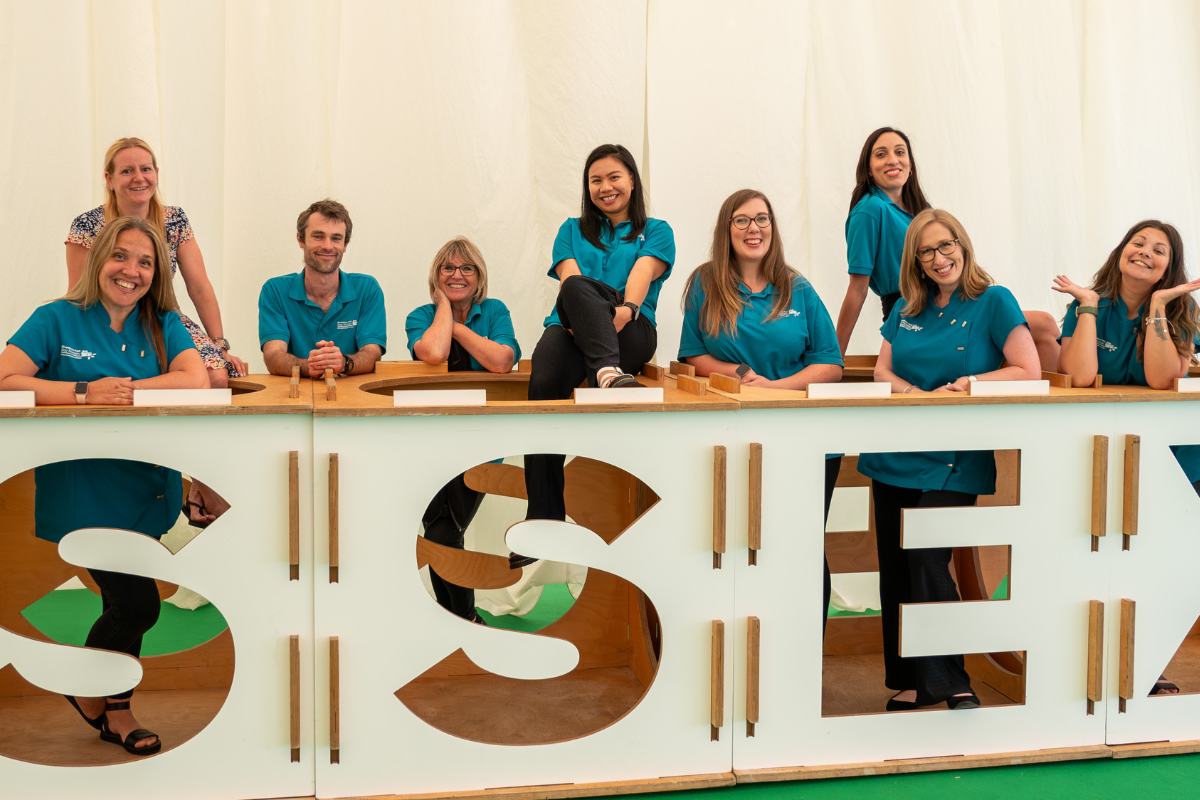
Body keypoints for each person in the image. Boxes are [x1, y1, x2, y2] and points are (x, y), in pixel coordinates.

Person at [0, 216, 209, 755]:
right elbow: (5, 378)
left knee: (126, 603)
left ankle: (110, 703)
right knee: (138, 606)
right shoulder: (56, 319)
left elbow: (194, 379)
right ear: (98, 261)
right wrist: (82, 392)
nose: (131, 271)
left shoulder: (164, 321)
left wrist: (125, 390)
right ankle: (100, 695)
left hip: (148, 491)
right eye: (120, 256)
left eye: (145, 262)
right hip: (85, 493)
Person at [857, 208, 1040, 711]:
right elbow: (882, 370)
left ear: (963, 244)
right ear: (914, 261)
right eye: (926, 251)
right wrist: (914, 394)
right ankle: (914, 680)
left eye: (946, 246)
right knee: (895, 567)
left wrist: (971, 385)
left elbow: (1028, 368)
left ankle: (951, 677)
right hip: (895, 450)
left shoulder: (993, 300)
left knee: (927, 556)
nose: (939, 258)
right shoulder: (906, 308)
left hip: (957, 456)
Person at [678, 189, 843, 634]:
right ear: (725, 230)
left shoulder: (799, 288)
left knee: (802, 549)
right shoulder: (703, 284)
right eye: (742, 220)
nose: (754, 229)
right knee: (738, 549)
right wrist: (739, 371)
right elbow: (691, 355)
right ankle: (750, 654)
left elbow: (831, 364)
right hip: (733, 439)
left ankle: (806, 654)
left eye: (763, 219)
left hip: (804, 440)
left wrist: (775, 389)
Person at [1053, 219, 1200, 696]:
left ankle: (1148, 664)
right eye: (1138, 242)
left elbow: (1161, 380)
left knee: (1159, 566)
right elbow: (1078, 376)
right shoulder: (1089, 305)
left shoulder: (1180, 310)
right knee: (1105, 562)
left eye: (1159, 250)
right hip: (1110, 456)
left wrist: (1158, 307)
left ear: (1168, 268)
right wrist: (1090, 309)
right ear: (1121, 250)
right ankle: (1107, 667)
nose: (1145, 252)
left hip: (1177, 460)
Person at [66, 137, 241, 526]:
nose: (138, 177)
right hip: (109, 320)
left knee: (215, 375)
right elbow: (78, 293)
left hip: (163, 316)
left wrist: (218, 344)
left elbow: (199, 285)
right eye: (126, 170)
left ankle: (198, 485)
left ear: (157, 175)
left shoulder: (174, 218)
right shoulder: (87, 225)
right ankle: (205, 492)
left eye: (145, 169)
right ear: (109, 179)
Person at [523, 144, 675, 531]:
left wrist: (624, 311)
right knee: (543, 381)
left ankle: (605, 371)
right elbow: (570, 286)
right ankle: (544, 514)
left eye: (614, 177)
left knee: (580, 290)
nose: (605, 187)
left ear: (632, 182)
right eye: (595, 180)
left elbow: (640, 278)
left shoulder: (656, 231)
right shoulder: (570, 230)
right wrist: (589, 317)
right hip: (569, 326)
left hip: (633, 323)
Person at [834, 127, 1061, 370]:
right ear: (868, 169)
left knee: (1042, 327)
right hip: (917, 308)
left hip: (952, 299)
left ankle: (1056, 393)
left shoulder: (919, 210)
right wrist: (835, 357)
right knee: (1042, 326)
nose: (893, 159)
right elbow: (857, 290)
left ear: (910, 164)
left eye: (900, 152)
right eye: (881, 154)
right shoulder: (870, 211)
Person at [406, 237, 521, 622]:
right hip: (431, 438)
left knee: (444, 532)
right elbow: (433, 353)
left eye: (466, 268)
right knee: (441, 533)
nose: (457, 275)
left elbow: (502, 361)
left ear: (479, 276)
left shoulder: (495, 311)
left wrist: (456, 327)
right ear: (436, 277)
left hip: (483, 440)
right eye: (448, 269)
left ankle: (459, 621)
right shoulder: (421, 315)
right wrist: (443, 309)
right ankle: (462, 620)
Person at [259, 199, 386, 379]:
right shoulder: (274, 290)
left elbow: (373, 354)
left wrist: (343, 363)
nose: (327, 246)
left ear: (345, 245)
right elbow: (273, 357)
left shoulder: (367, 288)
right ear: (300, 239)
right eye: (318, 236)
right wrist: (309, 366)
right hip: (295, 397)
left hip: (352, 396)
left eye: (336, 238)